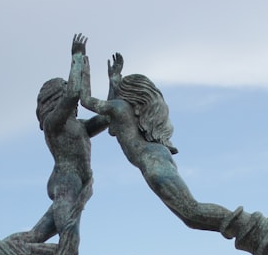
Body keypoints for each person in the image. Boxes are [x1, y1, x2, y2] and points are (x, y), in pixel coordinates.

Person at [78, 51, 232, 233]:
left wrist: (81, 64)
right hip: (155, 157)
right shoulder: (120, 110)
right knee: (190, 218)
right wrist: (113, 81)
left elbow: (86, 100)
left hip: (152, 161)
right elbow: (109, 112)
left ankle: (246, 224)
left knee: (191, 210)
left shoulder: (119, 108)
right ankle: (243, 228)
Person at [9, 33, 108, 255]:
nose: (71, 100)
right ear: (56, 98)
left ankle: (2, 248)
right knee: (68, 251)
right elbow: (75, 94)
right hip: (65, 183)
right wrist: (76, 57)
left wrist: (115, 84)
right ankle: (15, 251)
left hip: (76, 184)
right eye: (65, 93)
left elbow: (107, 116)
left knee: (35, 236)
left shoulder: (80, 126)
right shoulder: (54, 124)